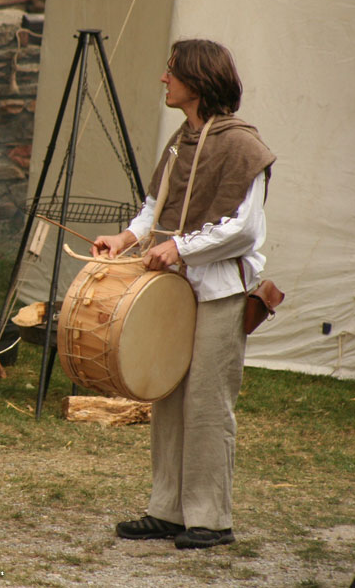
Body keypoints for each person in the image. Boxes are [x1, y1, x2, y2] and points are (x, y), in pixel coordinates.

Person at [92, 39, 275, 549]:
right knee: (168, 395)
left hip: (218, 291)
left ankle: (211, 518)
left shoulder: (243, 146)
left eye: (171, 72)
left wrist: (180, 248)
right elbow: (156, 205)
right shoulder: (181, 140)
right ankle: (167, 510)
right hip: (175, 290)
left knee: (208, 404)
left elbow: (243, 229)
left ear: (196, 81)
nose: (163, 80)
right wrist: (126, 238)